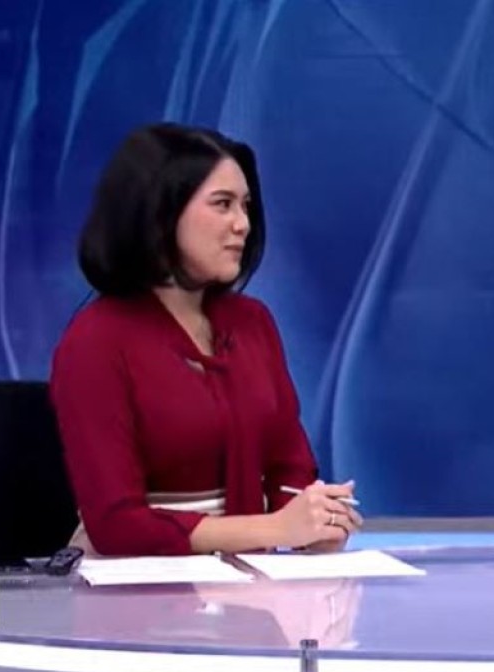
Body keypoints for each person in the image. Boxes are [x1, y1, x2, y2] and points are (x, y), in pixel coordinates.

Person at [50, 123, 361, 557]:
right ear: (160, 213)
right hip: (136, 582)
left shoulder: (252, 323)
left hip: (252, 578)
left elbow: (289, 470)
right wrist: (273, 529)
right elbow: (116, 524)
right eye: (223, 204)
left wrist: (318, 521)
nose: (243, 224)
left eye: (246, 206)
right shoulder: (95, 340)